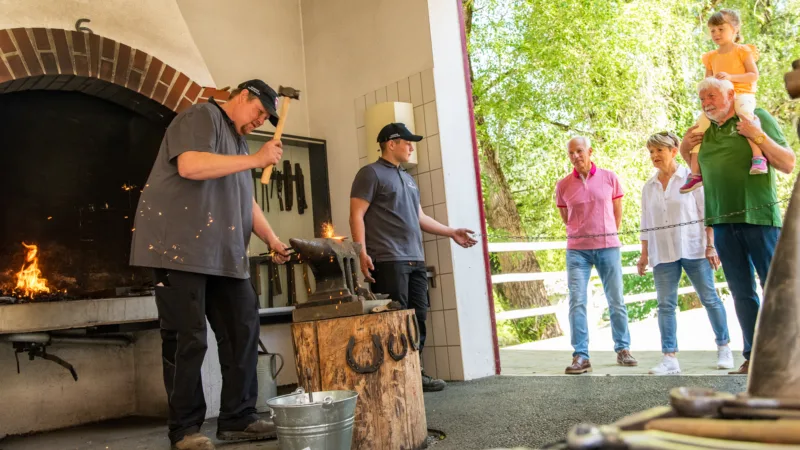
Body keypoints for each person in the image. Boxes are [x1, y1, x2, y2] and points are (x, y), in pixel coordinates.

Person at [130, 80, 292, 450]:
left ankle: (238, 417)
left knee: (243, 329)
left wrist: (271, 238)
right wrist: (256, 158)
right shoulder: (202, 116)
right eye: (259, 112)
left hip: (225, 253)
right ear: (241, 96)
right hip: (180, 248)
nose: (260, 121)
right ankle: (185, 430)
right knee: (187, 337)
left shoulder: (238, 144)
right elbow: (189, 165)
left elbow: (245, 200)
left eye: (266, 118)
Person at [349, 122, 477, 392]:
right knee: (392, 319)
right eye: (406, 141)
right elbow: (356, 214)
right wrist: (360, 251)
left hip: (415, 259)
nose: (411, 146)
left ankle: (414, 373)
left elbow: (420, 218)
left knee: (418, 318)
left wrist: (451, 231)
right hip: (388, 260)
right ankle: (393, 378)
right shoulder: (369, 173)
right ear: (391, 143)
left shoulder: (408, 178)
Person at [680, 77, 795, 374]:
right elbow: (698, 173)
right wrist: (684, 148)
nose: (706, 102)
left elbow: (787, 163)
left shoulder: (757, 117)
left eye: (712, 95)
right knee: (741, 292)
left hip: (760, 219)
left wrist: (757, 136)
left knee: (774, 289)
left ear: (731, 95)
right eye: (702, 97)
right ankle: (754, 356)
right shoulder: (704, 131)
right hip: (721, 222)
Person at [638, 131, 734, 375]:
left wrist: (711, 245)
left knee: (709, 298)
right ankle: (669, 358)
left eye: (659, 150)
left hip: (693, 247)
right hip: (663, 252)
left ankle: (724, 347)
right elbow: (645, 222)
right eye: (651, 152)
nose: (654, 156)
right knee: (665, 305)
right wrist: (644, 254)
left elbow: (708, 212)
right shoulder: (648, 187)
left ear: (673, 150)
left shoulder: (692, 179)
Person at [554, 136, 637, 375]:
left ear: (590, 152)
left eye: (579, 151)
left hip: (607, 247)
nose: (575, 156)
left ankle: (623, 349)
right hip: (577, 251)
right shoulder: (563, 185)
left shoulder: (609, 177)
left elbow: (617, 211)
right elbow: (565, 217)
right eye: (571, 153)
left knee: (616, 299)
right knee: (577, 301)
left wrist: (608, 233)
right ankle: (581, 355)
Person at [681, 9, 765, 194]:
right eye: (712, 30)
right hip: (720, 99)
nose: (716, 34)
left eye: (721, 29)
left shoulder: (742, 51)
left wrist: (730, 77)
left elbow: (753, 75)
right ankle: (695, 174)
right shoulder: (710, 57)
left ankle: (758, 157)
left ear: (735, 29)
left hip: (741, 93)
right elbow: (706, 83)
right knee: (699, 126)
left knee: (746, 116)